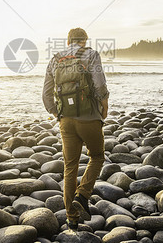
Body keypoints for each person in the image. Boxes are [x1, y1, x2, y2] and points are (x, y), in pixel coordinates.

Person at [42, 27, 109, 230]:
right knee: (97, 157)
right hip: (89, 118)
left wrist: (57, 113)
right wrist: (104, 105)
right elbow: (99, 85)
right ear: (85, 40)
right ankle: (83, 195)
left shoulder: (55, 59)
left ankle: (72, 218)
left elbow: (46, 94)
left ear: (68, 40)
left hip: (66, 121)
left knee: (69, 167)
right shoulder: (91, 54)